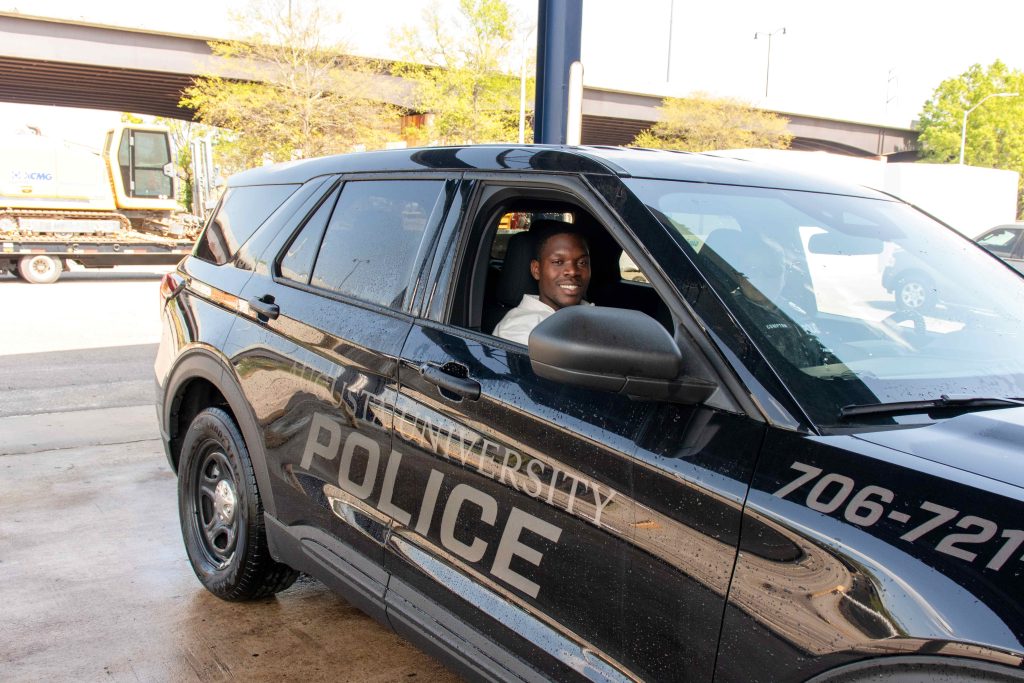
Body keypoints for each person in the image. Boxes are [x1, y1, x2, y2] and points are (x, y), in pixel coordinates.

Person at [493, 223, 593, 345]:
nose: (572, 271)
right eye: (558, 262)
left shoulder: (592, 312)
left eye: (582, 263)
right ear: (536, 270)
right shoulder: (518, 330)